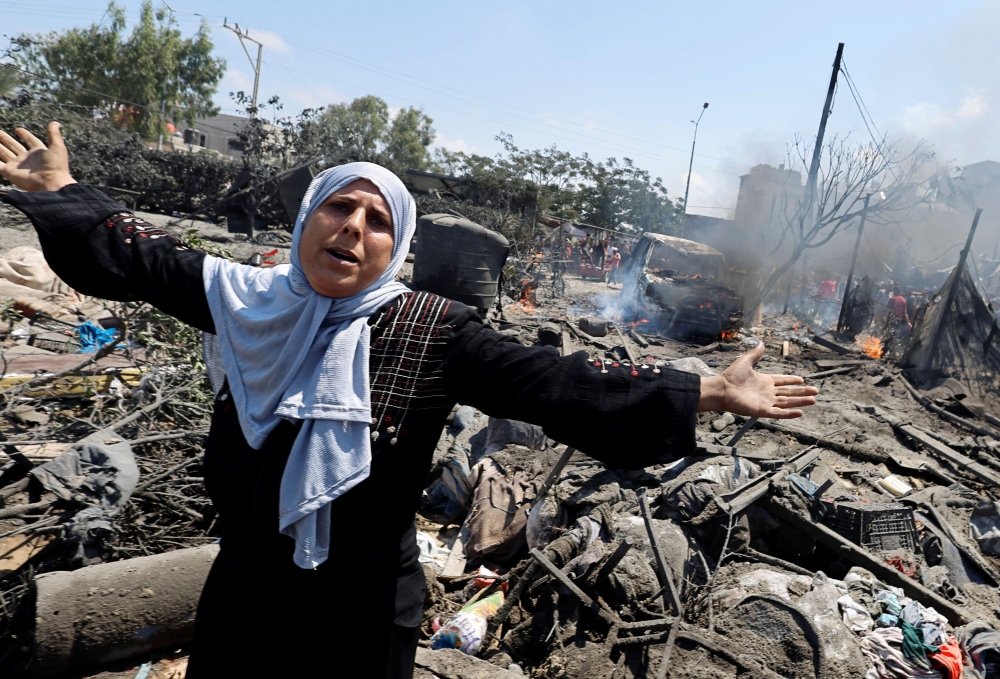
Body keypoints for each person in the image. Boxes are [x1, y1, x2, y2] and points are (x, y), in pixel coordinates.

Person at [0, 123, 817, 678]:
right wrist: (66, 190)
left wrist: (704, 389)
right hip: (246, 588)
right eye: (339, 206)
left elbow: (557, 382)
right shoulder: (242, 297)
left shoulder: (432, 330)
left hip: (360, 608)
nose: (353, 227)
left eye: (377, 219)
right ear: (307, 219)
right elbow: (141, 254)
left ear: (397, 247)